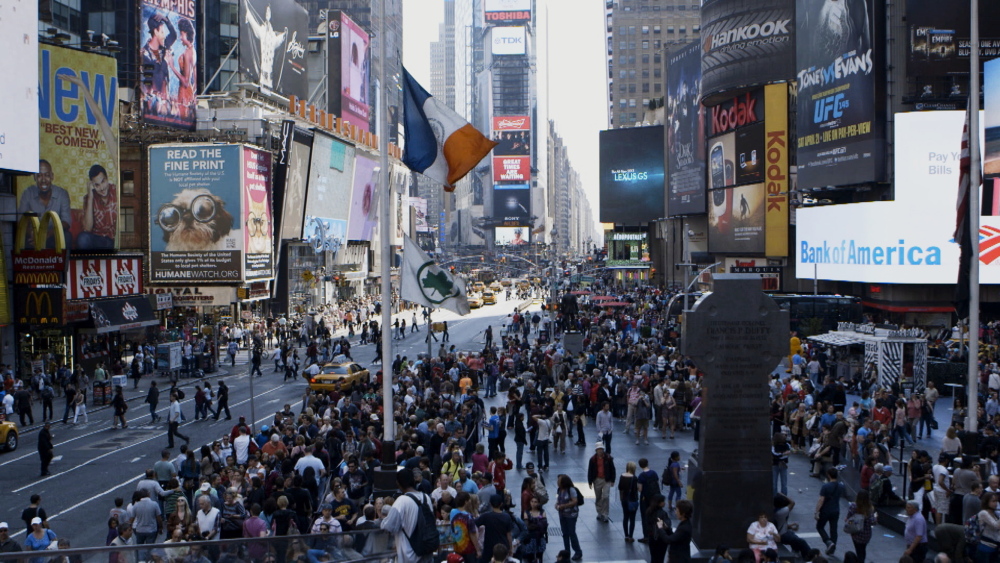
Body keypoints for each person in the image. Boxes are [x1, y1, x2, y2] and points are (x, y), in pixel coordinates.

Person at [381, 468, 435, 563]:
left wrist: (383, 520)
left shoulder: (402, 501)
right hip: (427, 551)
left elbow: (388, 526)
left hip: (409, 556)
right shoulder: (426, 497)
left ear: (398, 483)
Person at [17, 160, 72, 241]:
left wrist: (48, 234)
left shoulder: (62, 194)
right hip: (33, 237)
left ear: (52, 176)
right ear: (35, 177)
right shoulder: (27, 193)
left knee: (67, 236)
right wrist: (32, 233)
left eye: (47, 175)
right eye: (39, 176)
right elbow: (20, 221)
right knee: (21, 237)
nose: (43, 180)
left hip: (54, 235)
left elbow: (66, 222)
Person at [77, 163, 117, 249]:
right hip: (97, 240)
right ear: (92, 185)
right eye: (97, 185)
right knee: (82, 238)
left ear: (107, 179)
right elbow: (87, 228)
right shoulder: (88, 198)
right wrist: (90, 197)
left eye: (103, 181)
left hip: (113, 240)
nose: (102, 188)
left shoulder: (116, 191)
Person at [476, 494, 514, 563]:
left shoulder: (486, 516)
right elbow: (509, 534)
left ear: (490, 504)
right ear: (501, 504)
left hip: (489, 546)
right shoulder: (506, 517)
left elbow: (475, 524)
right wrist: (511, 548)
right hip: (503, 546)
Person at [815, 468, 843, 556]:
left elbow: (821, 500)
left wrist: (816, 511)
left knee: (820, 527)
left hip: (826, 510)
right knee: (833, 529)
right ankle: (832, 548)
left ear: (829, 475)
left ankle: (828, 542)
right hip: (836, 510)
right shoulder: (841, 486)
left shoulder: (825, 486)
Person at [845, 490, 877, 563]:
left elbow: (848, 518)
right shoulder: (870, 508)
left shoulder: (853, 506)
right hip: (866, 534)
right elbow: (872, 522)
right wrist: (876, 517)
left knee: (858, 549)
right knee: (863, 549)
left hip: (855, 533)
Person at [555, 474, 583, 561]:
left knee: (571, 533)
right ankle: (567, 552)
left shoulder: (571, 490)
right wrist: (556, 505)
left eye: (559, 480)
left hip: (571, 515)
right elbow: (558, 499)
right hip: (562, 514)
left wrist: (564, 506)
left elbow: (575, 501)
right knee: (565, 533)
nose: (557, 482)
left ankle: (578, 551)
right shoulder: (559, 490)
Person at [588, 442, 615, 524]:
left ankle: (605, 514)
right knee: (598, 497)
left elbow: (612, 469)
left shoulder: (608, 458)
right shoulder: (593, 459)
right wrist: (590, 481)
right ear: (596, 450)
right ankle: (599, 511)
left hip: (606, 480)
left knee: (606, 496)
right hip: (597, 480)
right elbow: (590, 471)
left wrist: (613, 480)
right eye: (599, 449)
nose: (600, 451)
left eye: (601, 449)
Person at [617, 460, 639, 542]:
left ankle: (626, 535)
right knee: (632, 518)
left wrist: (621, 497)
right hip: (632, 500)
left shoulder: (622, 476)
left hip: (624, 499)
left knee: (625, 517)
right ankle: (631, 536)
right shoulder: (634, 478)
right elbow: (636, 489)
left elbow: (620, 488)